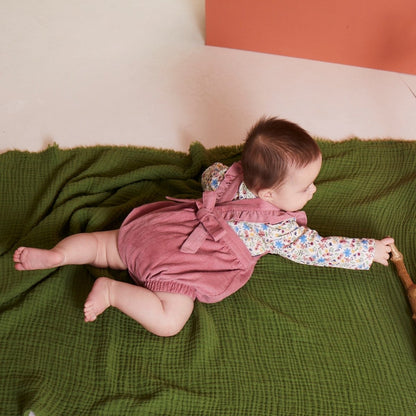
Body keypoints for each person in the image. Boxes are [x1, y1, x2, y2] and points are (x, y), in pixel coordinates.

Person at [13, 117, 394, 337]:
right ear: (268, 194)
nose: (313, 191)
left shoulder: (226, 177)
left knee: (102, 245)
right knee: (169, 321)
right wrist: (368, 251)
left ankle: (59, 254)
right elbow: (318, 249)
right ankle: (113, 292)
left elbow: (209, 173)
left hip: (157, 230)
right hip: (183, 265)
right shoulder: (278, 228)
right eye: (305, 187)